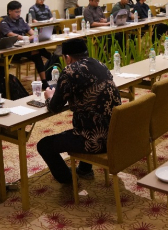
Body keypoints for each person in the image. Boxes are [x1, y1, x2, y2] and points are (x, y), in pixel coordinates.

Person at [37, 39, 121, 184]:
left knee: (44, 145)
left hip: (95, 140)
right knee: (87, 119)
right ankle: (84, 169)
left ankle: (68, 180)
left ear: (68, 57)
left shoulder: (70, 71)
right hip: (115, 134)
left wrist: (49, 96)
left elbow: (54, 107)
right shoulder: (100, 64)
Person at [0, 1, 50, 86]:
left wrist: (35, 34)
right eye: (16, 12)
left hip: (24, 47)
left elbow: (30, 30)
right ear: (9, 11)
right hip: (13, 51)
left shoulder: (21, 20)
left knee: (37, 54)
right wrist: (25, 38)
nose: (18, 14)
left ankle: (44, 81)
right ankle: (52, 58)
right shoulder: (4, 22)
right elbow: (10, 34)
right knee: (39, 52)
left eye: (19, 11)